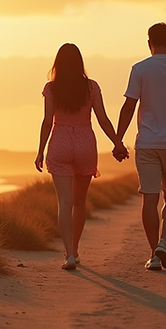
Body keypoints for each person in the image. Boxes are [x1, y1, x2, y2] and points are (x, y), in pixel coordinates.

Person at [112, 23, 166, 271]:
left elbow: (129, 106)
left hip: (148, 143)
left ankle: (154, 254)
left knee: (149, 199)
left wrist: (118, 139)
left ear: (148, 42)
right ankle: (164, 241)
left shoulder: (140, 69)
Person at [36, 43, 124, 270]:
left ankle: (69, 255)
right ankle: (75, 248)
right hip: (85, 142)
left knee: (64, 202)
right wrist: (117, 143)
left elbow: (47, 122)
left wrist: (40, 150)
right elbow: (103, 119)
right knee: (79, 202)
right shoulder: (91, 87)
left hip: (60, 142)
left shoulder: (51, 88)